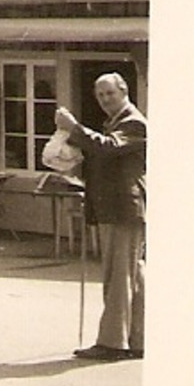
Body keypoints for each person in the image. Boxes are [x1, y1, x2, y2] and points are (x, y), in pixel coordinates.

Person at [56, 73, 147, 362]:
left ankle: (112, 343)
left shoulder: (133, 122)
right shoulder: (115, 123)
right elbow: (105, 156)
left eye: (110, 94)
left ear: (124, 91)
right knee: (132, 276)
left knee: (118, 276)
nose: (105, 100)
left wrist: (74, 128)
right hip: (116, 206)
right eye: (100, 96)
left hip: (123, 207)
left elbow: (108, 148)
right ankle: (137, 339)